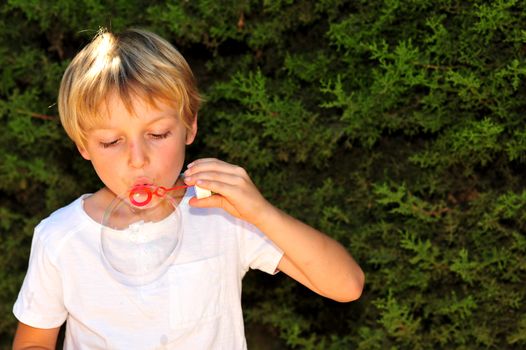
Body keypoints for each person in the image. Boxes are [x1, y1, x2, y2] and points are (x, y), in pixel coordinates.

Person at [12, 28, 364, 349]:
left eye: (158, 134)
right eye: (111, 141)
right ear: (83, 146)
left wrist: (260, 212)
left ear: (189, 127)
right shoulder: (61, 237)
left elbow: (346, 285)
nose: (138, 159)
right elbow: (33, 342)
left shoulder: (221, 215)